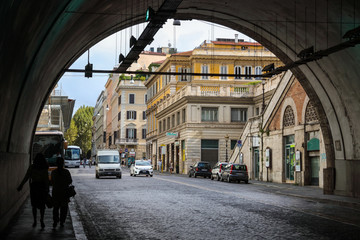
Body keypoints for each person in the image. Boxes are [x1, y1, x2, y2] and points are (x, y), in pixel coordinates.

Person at [17, 153, 49, 229]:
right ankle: (42, 220)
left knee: (34, 205)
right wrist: (47, 189)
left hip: (34, 187)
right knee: (42, 205)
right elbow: (46, 180)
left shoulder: (32, 167)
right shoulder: (44, 168)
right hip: (42, 187)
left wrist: (21, 185)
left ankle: (35, 220)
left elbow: (26, 177)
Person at [51, 157, 72, 228]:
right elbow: (70, 181)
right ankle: (62, 221)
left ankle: (55, 221)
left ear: (56, 163)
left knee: (56, 208)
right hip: (64, 192)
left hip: (56, 192)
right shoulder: (66, 172)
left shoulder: (53, 172)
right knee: (64, 208)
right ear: (63, 163)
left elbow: (52, 182)